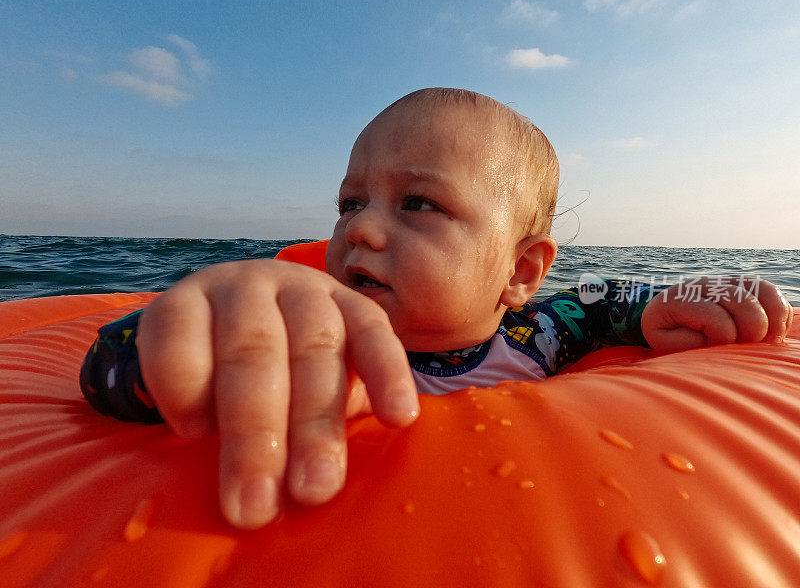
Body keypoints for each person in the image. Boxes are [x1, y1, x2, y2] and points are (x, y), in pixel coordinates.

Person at [80, 88, 793, 530]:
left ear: (518, 271)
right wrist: (181, 329)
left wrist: (670, 301)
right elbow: (112, 372)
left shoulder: (537, 335)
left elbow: (602, 305)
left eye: (417, 203)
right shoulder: (306, 338)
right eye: (350, 202)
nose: (358, 228)